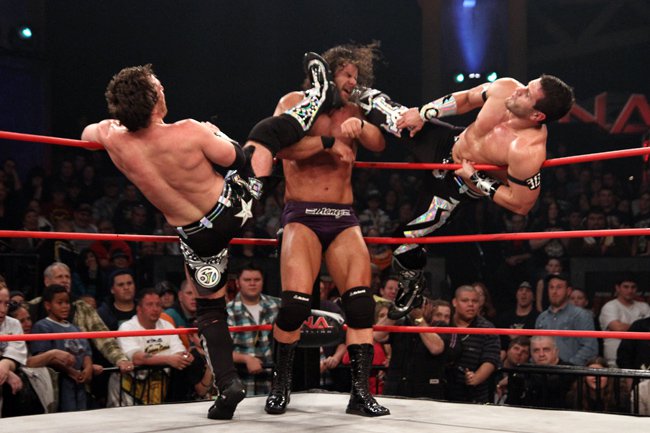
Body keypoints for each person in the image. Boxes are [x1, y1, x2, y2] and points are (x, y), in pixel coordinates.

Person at [81, 55, 339, 418]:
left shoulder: (113, 138)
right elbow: (236, 159)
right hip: (232, 210)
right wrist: (214, 132)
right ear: (153, 99)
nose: (163, 88)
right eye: (158, 86)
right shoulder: (188, 130)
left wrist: (117, 124)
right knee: (264, 136)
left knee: (209, 309)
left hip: (196, 238)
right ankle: (319, 95)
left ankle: (228, 384)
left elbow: (87, 135)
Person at [353, 74, 574, 320]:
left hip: (456, 186)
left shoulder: (527, 150)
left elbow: (521, 203)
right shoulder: (506, 88)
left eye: (527, 94)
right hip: (447, 143)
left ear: (537, 115)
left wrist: (476, 178)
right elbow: (467, 99)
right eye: (527, 85)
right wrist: (424, 113)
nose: (520, 90)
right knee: (382, 109)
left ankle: (412, 283)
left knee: (405, 240)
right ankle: (340, 85)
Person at [261, 43, 389, 417]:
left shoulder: (355, 109)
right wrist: (328, 143)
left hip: (343, 216)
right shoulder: (295, 102)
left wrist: (362, 126)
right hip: (302, 214)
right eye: (346, 74)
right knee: (294, 307)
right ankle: (280, 386)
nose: (352, 81)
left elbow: (379, 143)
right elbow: (278, 147)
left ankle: (360, 394)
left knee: (362, 305)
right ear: (328, 74)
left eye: (356, 76)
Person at [112, 288, 191, 406]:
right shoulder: (127, 328)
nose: (155, 309)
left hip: (161, 388)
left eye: (158, 305)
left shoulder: (167, 326)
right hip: (130, 390)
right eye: (149, 305)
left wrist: (185, 357)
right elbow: (137, 358)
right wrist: (168, 359)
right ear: (139, 308)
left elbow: (179, 352)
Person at [30, 285, 93, 412]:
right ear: (48, 305)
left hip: (79, 384)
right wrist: (70, 371)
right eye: (60, 303)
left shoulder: (75, 328)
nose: (65, 306)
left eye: (67, 302)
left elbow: (86, 352)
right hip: (59, 384)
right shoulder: (43, 326)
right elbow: (44, 356)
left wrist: (88, 368)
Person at [374, 298, 453, 399]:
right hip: (396, 390)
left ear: (431, 307)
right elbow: (377, 335)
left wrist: (419, 319)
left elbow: (436, 348)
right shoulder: (400, 323)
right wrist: (397, 309)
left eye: (421, 303)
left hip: (426, 392)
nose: (417, 307)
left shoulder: (440, 325)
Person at [226, 263, 280, 396]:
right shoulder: (228, 311)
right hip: (242, 382)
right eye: (247, 280)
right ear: (238, 283)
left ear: (262, 282)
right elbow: (221, 350)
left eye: (256, 280)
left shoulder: (277, 306)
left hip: (274, 381)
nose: (252, 284)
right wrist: (246, 359)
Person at [446, 285, 500, 403]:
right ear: (455, 302)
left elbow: (491, 360)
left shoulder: (487, 328)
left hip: (474, 397)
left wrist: (476, 378)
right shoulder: (445, 323)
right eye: (465, 301)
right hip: (444, 391)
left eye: (474, 301)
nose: (471, 304)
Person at [535, 274, 598, 366]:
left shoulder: (581, 315)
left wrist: (568, 367)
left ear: (568, 291)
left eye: (559, 287)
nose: (554, 291)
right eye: (551, 287)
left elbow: (590, 347)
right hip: (544, 371)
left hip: (572, 371)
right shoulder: (541, 318)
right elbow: (535, 347)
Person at [599, 275, 650, 367]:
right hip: (613, 360)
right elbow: (617, 327)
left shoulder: (644, 307)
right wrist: (639, 327)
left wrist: (634, 327)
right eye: (626, 287)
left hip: (640, 361)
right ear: (617, 288)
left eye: (633, 287)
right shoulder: (610, 306)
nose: (630, 290)